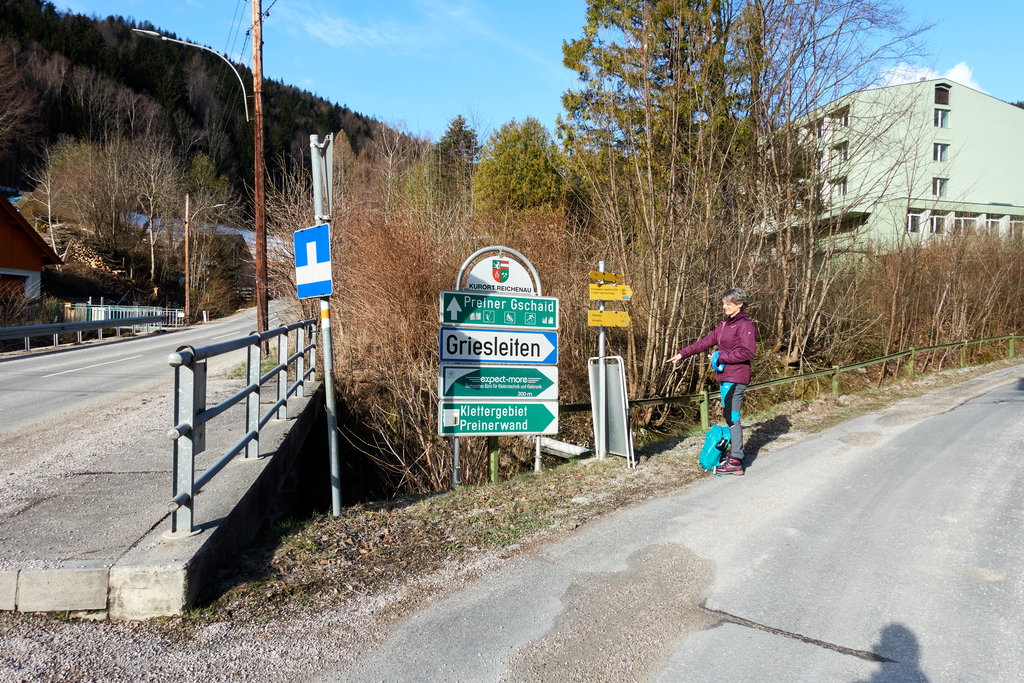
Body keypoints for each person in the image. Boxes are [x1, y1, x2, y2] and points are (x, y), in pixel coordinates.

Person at [666, 288, 757, 475]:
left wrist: (720, 356)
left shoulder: (745, 325)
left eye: (727, 304)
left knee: (733, 417)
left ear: (739, 304)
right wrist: (682, 354)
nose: (723, 307)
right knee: (729, 416)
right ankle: (735, 454)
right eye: (723, 303)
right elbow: (705, 341)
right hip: (726, 377)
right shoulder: (725, 325)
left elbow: (748, 352)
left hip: (737, 377)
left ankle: (736, 460)